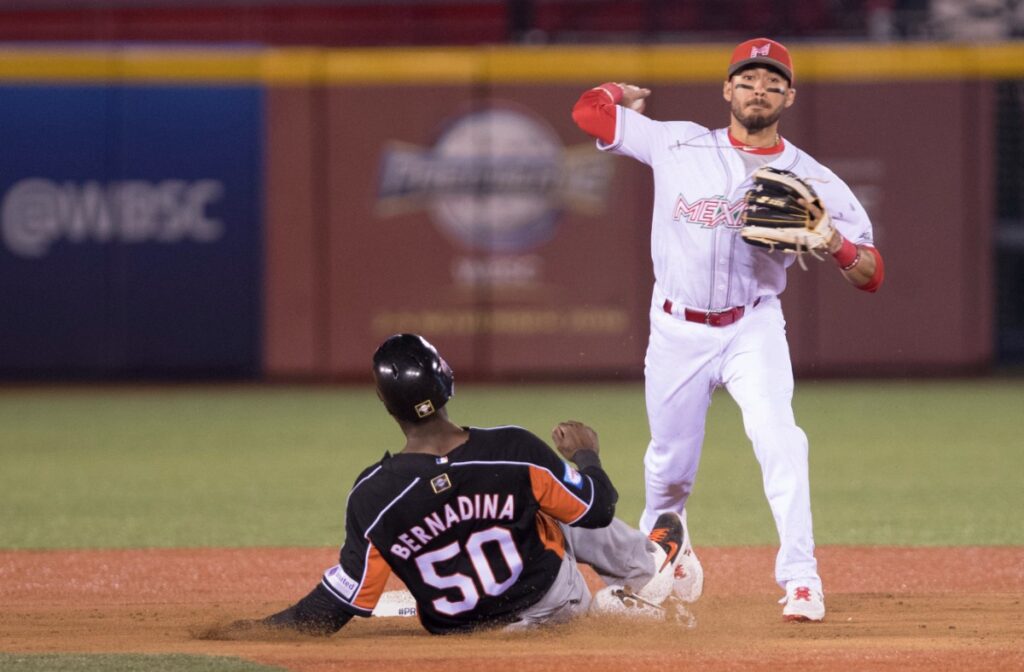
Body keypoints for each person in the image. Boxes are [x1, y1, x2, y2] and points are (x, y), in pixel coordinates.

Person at [570, 38, 885, 622]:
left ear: (788, 95)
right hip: (675, 327)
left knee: (779, 440)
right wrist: (620, 92)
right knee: (667, 471)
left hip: (752, 325)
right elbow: (588, 112)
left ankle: (801, 580)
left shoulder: (811, 177)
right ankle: (663, 561)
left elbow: (871, 274)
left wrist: (833, 242)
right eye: (746, 79)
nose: (757, 89)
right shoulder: (677, 141)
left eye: (771, 81)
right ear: (727, 89)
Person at [230, 333, 701, 635]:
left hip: (465, 632)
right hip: (557, 605)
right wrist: (585, 454)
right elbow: (596, 508)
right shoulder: (512, 448)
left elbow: (334, 608)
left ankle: (631, 587)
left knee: (536, 492)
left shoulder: (373, 496)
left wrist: (245, 631)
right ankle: (644, 571)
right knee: (553, 495)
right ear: (446, 383)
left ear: (384, 403)